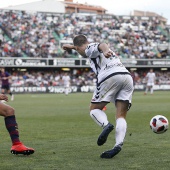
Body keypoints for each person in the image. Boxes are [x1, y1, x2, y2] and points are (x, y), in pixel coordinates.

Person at [62, 34, 134, 159]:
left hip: (110, 76)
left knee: (94, 109)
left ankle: (106, 125)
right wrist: (72, 47)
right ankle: (118, 145)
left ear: (80, 48)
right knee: (121, 115)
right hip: (126, 77)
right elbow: (83, 48)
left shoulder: (89, 47)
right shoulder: (85, 47)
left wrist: (105, 50)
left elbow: (102, 44)